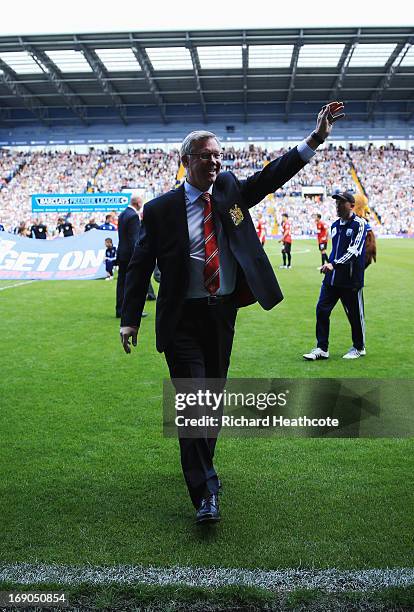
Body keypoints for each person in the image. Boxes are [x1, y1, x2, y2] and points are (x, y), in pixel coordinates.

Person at [120, 102, 345, 523]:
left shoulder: (228, 192)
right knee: (194, 400)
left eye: (219, 156)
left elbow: (272, 175)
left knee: (212, 402)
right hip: (181, 318)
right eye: (206, 156)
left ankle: (202, 470)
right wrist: (130, 317)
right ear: (185, 161)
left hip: (222, 314)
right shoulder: (160, 209)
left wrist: (314, 139)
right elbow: (138, 263)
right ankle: (207, 491)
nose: (215, 162)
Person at [303, 191, 367, 362]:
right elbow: (335, 251)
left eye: (341, 203)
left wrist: (334, 264)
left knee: (355, 316)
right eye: (336, 203)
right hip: (331, 280)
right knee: (321, 310)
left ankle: (359, 347)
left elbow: (354, 252)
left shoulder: (360, 225)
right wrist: (329, 264)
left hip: (350, 281)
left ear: (351, 206)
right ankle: (322, 348)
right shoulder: (334, 225)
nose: (337, 206)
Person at [116, 192, 150, 318]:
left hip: (122, 254)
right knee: (133, 284)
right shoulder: (133, 216)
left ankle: (120, 309)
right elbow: (135, 239)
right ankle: (132, 311)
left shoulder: (123, 214)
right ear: (138, 203)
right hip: (131, 255)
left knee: (121, 284)